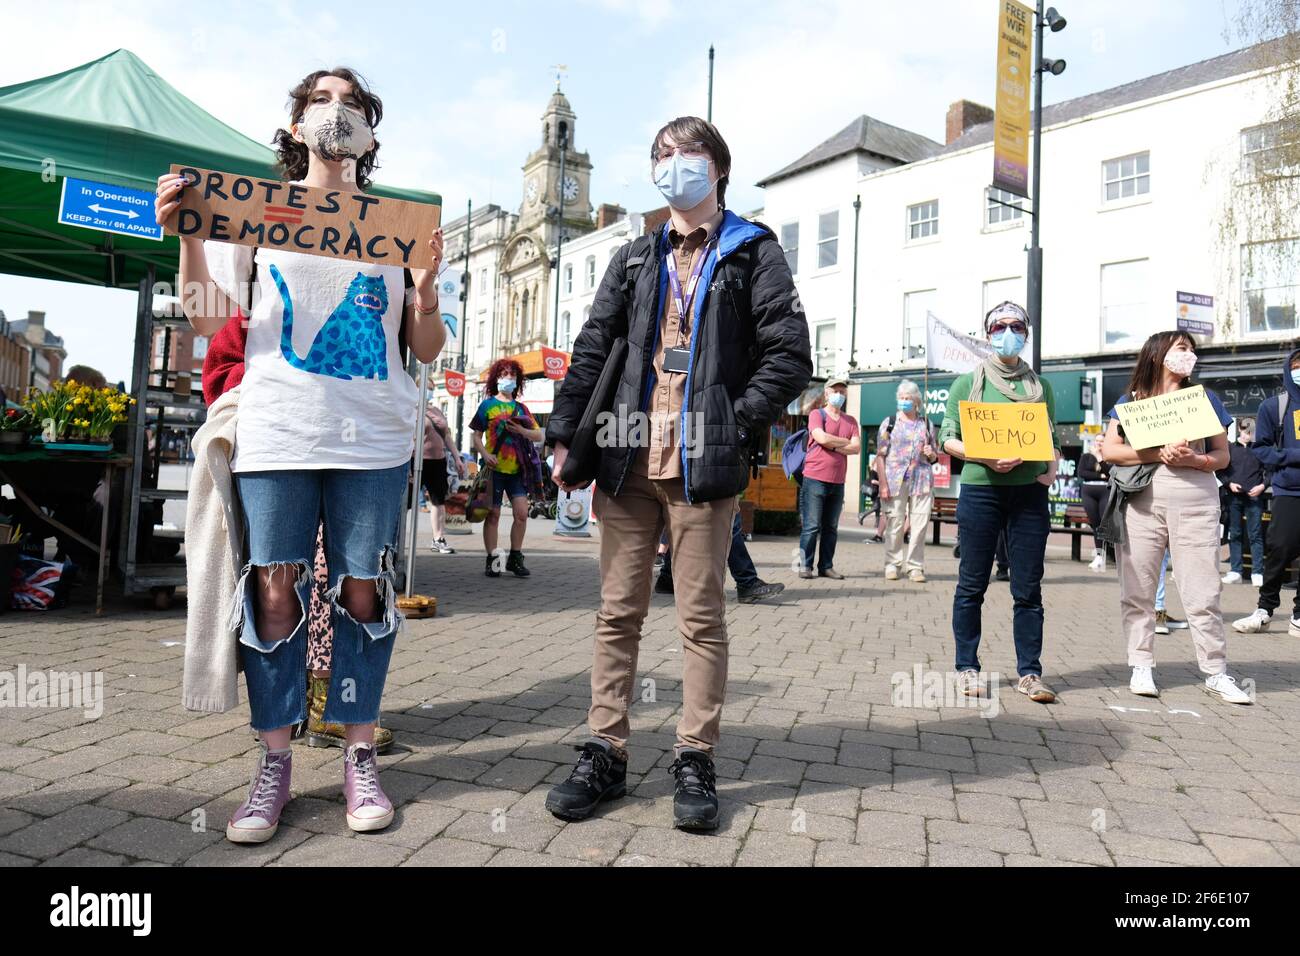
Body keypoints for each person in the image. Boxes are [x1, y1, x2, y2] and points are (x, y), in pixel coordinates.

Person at [165, 66, 446, 843]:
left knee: (363, 591)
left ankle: (359, 751)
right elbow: (206, 317)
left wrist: (424, 296)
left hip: (375, 435)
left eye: (350, 102)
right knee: (274, 592)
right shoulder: (256, 215)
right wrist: (191, 236)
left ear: (370, 133)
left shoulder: (399, 224)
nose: (334, 111)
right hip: (277, 428)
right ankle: (275, 759)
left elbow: (422, 346)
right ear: (294, 130)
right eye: (319, 100)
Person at [543, 116, 811, 830]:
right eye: (660, 154)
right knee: (617, 612)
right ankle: (606, 749)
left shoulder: (752, 251)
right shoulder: (636, 256)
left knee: (701, 618)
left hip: (702, 464)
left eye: (685, 153)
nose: (671, 165)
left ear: (718, 167)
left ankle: (695, 755)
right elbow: (594, 346)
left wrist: (733, 417)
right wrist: (566, 431)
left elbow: (790, 355)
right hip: (627, 453)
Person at [1100, 331, 1251, 703]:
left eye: (1192, 350)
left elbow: (1222, 455)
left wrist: (1195, 460)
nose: (1190, 356)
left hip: (1196, 501)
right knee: (1138, 589)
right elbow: (1110, 450)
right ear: (1158, 355)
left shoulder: (1204, 399)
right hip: (1142, 503)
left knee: (1203, 589)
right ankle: (1141, 665)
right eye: (1182, 348)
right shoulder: (1131, 401)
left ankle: (1216, 671)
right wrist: (1155, 454)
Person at [939, 302, 1059, 704]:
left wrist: (1051, 468)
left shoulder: (1041, 388)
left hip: (1028, 494)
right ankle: (967, 667)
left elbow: (1051, 437)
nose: (1009, 332)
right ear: (988, 333)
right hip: (981, 489)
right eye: (1000, 326)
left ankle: (1029, 673)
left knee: (1028, 589)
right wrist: (983, 455)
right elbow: (947, 438)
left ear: (1027, 331)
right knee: (972, 584)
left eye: (1016, 326)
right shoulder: (968, 383)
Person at [1235, 348, 1300, 636]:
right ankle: (1265, 608)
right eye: (1297, 366)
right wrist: (1292, 456)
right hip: (1289, 489)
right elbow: (1261, 448)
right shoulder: (1274, 407)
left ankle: (1299, 615)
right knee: (1280, 547)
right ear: (1288, 370)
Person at [470, 358, 544, 577]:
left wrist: (521, 431)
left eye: (512, 375)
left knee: (521, 514)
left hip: (517, 470)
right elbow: (476, 435)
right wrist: (485, 454)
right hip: (493, 470)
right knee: (492, 515)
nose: (509, 378)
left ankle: (515, 558)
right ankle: (492, 560)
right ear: (496, 379)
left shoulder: (521, 408)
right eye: (504, 374)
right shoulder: (487, 406)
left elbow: (538, 435)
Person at [798, 377, 860, 579]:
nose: (839, 395)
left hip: (838, 480)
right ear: (826, 394)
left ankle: (826, 566)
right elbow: (820, 437)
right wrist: (843, 443)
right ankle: (805, 565)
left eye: (842, 392)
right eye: (835, 391)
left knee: (831, 527)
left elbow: (857, 447)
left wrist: (831, 443)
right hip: (815, 477)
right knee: (812, 525)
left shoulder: (851, 421)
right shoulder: (817, 414)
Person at [876, 378, 937, 582]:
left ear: (916, 401)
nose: (904, 401)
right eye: (901, 398)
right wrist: (882, 484)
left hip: (922, 479)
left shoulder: (926, 423)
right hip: (895, 480)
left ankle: (915, 567)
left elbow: (934, 455)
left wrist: (930, 453)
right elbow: (881, 455)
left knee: (919, 524)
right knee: (894, 522)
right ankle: (892, 564)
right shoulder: (890, 423)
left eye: (908, 398)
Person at [656, 510, 786, 604]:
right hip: (705, 474)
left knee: (685, 517)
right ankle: (747, 582)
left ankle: (667, 578)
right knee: (728, 518)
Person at [1218, 418, 1266, 586]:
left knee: (1256, 535)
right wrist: (1229, 484)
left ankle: (1258, 572)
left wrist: (1262, 486)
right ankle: (1235, 571)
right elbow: (1220, 471)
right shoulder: (1230, 449)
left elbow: (1271, 471)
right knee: (1235, 534)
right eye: (1246, 432)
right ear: (1239, 429)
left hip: (1254, 497)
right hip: (1234, 497)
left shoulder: (1260, 450)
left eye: (1251, 432)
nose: (1248, 436)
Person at [423, 401, 466, 553]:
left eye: (431, 388)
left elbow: (447, 436)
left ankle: (438, 538)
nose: (428, 391)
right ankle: (395, 540)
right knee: (406, 502)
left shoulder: (437, 411)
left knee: (438, 500)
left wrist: (457, 457)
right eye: (426, 387)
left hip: (438, 461)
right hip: (417, 461)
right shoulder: (411, 408)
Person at [1078, 436, 1111, 572]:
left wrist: (1099, 457)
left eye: (1102, 441)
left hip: (1105, 491)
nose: (1099, 443)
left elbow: (1109, 473)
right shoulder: (1086, 456)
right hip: (1088, 492)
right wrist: (1100, 476)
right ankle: (1099, 556)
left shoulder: (1109, 457)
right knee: (1095, 524)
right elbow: (1082, 473)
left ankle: (1108, 554)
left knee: (1104, 523)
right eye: (1097, 440)